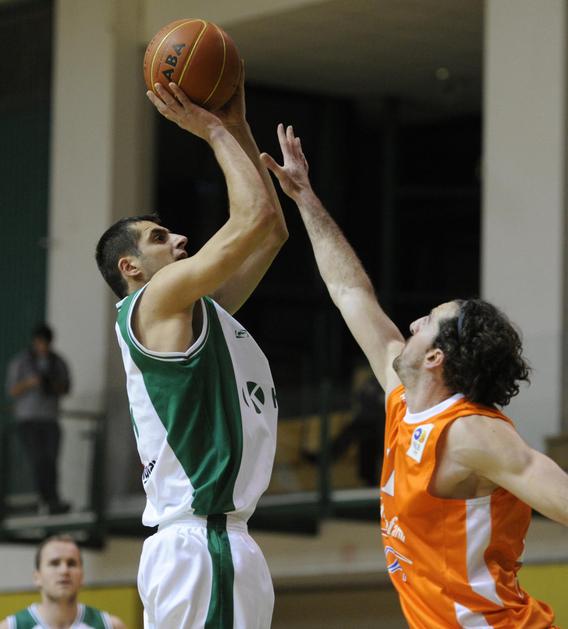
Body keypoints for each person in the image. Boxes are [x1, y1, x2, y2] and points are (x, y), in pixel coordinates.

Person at [261, 124, 568, 628]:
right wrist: (305, 198)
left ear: (435, 358)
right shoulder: (403, 396)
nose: (411, 324)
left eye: (427, 321)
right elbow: (349, 291)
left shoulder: (472, 432)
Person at [95, 68, 287, 628]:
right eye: (159, 238)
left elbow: (270, 229)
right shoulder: (154, 302)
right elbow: (251, 217)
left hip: (214, 542)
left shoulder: (195, 310)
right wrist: (212, 130)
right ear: (131, 268)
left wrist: (237, 125)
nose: (179, 239)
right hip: (201, 542)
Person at [6, 324, 71, 515]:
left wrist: (51, 384)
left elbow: (66, 388)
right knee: (37, 460)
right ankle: (41, 499)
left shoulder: (57, 363)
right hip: (28, 420)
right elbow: (12, 390)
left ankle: (52, 500)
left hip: (50, 419)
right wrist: (30, 383)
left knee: (51, 460)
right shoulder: (21, 362)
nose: (43, 347)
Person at [0, 534, 126, 629]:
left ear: (82, 576)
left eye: (71, 563)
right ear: (37, 577)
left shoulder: (111, 626)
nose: (64, 571)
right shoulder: (10, 627)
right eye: (54, 563)